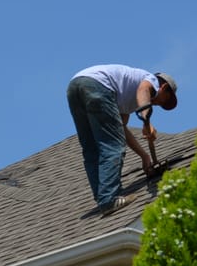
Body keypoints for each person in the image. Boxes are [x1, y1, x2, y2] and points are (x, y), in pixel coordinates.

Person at [66, 64, 178, 215]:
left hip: (76, 86)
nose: (160, 104)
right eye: (165, 101)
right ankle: (109, 199)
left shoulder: (126, 99)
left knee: (92, 148)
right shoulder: (151, 80)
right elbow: (143, 90)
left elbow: (121, 130)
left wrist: (144, 156)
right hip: (97, 85)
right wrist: (146, 120)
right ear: (163, 88)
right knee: (112, 146)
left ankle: (102, 196)